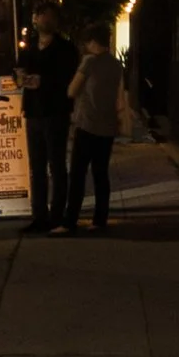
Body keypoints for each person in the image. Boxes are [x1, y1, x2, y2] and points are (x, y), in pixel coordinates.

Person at [17, 4, 77, 231]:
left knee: (57, 164)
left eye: (47, 16)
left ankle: (57, 214)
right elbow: (20, 72)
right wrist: (21, 78)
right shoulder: (30, 47)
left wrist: (44, 80)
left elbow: (69, 78)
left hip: (56, 112)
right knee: (37, 167)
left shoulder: (65, 48)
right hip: (33, 111)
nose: (43, 19)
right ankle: (39, 215)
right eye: (40, 15)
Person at [61, 29, 123, 232]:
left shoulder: (89, 62)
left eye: (88, 42)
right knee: (100, 174)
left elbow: (71, 90)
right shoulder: (116, 64)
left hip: (87, 124)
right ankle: (99, 220)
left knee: (78, 174)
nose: (86, 46)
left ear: (94, 42)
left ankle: (70, 221)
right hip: (108, 126)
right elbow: (119, 97)